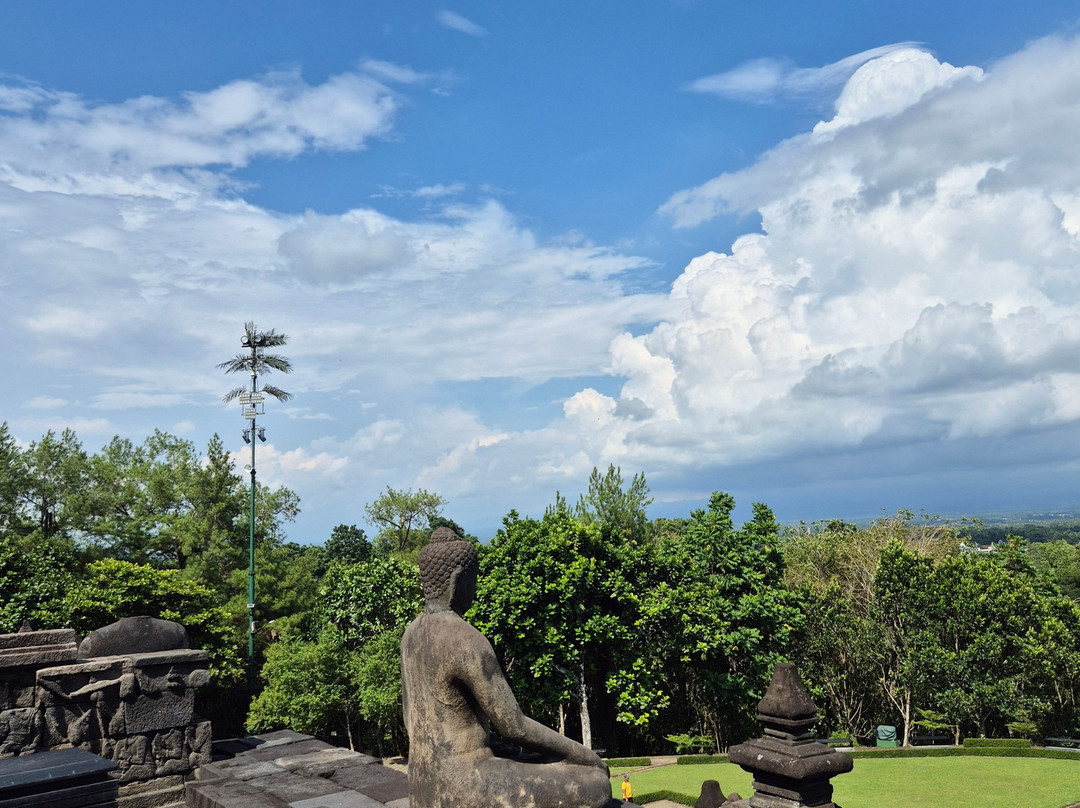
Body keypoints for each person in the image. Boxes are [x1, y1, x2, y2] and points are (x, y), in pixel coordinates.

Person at [401, 527, 615, 808]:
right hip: (464, 786)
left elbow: (410, 720)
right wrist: (586, 755)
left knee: (532, 761)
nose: (475, 587)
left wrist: (494, 745)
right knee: (596, 784)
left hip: (421, 785)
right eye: (473, 578)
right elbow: (514, 725)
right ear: (456, 580)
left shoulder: (411, 635)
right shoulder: (463, 638)